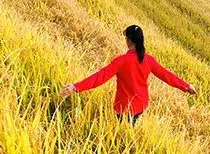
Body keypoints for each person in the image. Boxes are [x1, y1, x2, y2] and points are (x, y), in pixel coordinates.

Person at [60, 25, 197, 124]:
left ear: (129, 40)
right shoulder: (149, 60)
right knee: (130, 128)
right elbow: (166, 75)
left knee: (120, 134)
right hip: (140, 106)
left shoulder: (121, 61)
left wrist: (76, 87)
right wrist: (186, 86)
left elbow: (100, 77)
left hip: (123, 107)